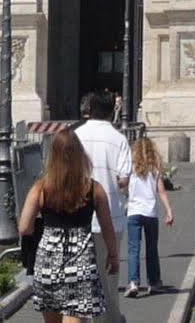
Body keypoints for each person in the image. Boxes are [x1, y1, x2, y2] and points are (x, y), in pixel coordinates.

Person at [19, 126, 118, 323]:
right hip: (80, 265)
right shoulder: (93, 189)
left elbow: (24, 228)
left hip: (47, 263)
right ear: (80, 156)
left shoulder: (40, 189)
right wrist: (113, 255)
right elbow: (107, 227)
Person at [73, 91, 133, 323]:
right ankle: (109, 319)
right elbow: (123, 180)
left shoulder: (75, 136)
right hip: (111, 217)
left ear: (89, 108)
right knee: (108, 277)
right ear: (112, 111)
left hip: (78, 216)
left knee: (81, 276)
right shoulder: (118, 139)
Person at [122, 135, 173, 300]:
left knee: (133, 249)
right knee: (152, 249)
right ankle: (154, 281)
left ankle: (133, 282)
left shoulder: (131, 167)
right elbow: (161, 191)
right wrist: (169, 211)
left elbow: (123, 186)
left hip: (133, 213)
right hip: (150, 213)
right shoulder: (155, 168)